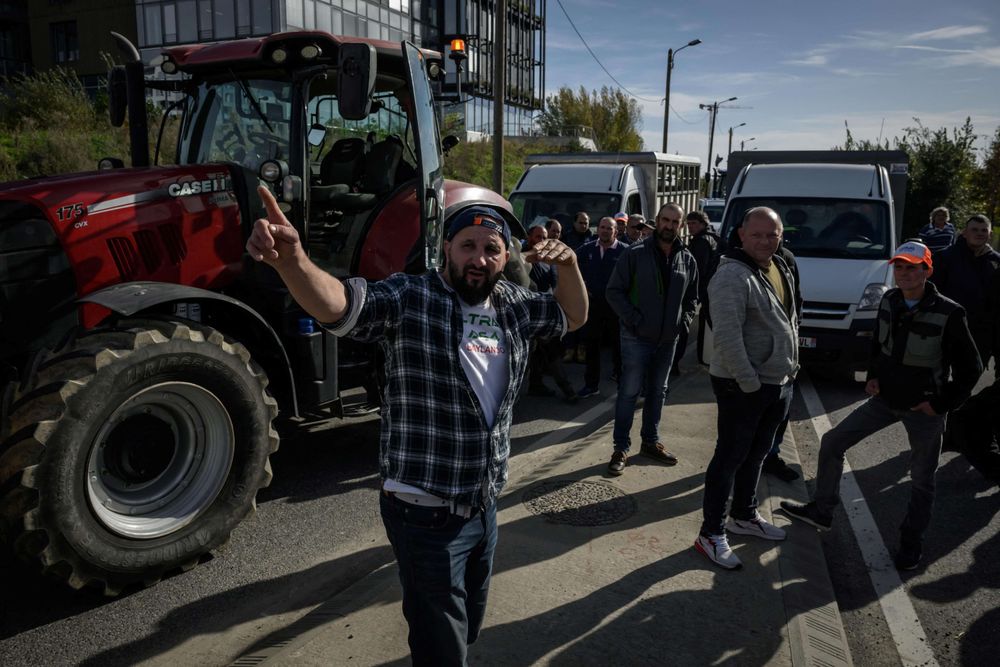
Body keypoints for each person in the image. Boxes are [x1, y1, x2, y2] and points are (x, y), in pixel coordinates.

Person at [246, 186, 587, 665]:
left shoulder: (513, 303)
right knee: (441, 648)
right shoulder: (412, 297)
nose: (479, 258)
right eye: (467, 245)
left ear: (504, 254)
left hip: (483, 505)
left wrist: (569, 265)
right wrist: (293, 263)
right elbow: (341, 306)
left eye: (491, 249)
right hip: (424, 513)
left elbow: (572, 315)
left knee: (466, 626)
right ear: (446, 248)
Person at [781, 240, 982, 571]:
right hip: (885, 401)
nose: (904, 273)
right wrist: (873, 375)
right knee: (832, 442)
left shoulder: (950, 313)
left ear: (927, 271)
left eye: (912, 268)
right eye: (899, 267)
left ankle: (910, 543)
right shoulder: (890, 299)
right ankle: (822, 511)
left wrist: (940, 404)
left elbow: (970, 369)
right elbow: (879, 343)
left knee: (922, 480)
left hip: (924, 412)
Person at [695, 207, 799, 570]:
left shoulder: (780, 265)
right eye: (757, 234)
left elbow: (790, 318)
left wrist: (789, 371)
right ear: (740, 234)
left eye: (772, 234)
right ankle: (710, 533)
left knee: (757, 455)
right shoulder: (731, 275)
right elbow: (726, 336)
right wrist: (750, 383)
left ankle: (743, 515)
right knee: (729, 458)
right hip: (743, 386)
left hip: (777, 382)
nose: (765, 240)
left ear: (781, 235)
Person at [605, 203, 698, 475]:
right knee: (629, 393)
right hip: (636, 337)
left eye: (675, 221)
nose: (669, 226)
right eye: (665, 220)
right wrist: (634, 321)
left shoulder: (686, 258)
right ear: (657, 221)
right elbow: (614, 292)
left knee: (658, 392)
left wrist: (684, 322)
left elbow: (692, 297)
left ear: (680, 225)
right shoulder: (635, 254)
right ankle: (620, 447)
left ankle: (650, 442)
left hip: (668, 340)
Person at [930, 214, 1000, 370]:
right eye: (974, 229)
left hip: (981, 335)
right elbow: (931, 292)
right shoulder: (945, 257)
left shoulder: (996, 262)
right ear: (964, 233)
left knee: (967, 383)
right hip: (946, 332)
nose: (979, 233)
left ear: (990, 235)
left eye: (983, 230)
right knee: (936, 382)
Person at [576, 216, 627, 397]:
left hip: (616, 308)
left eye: (609, 228)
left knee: (618, 347)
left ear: (616, 231)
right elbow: (573, 269)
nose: (605, 231)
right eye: (602, 227)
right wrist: (583, 287)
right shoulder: (586, 249)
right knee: (592, 346)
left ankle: (623, 385)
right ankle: (591, 386)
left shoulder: (625, 252)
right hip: (594, 306)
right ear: (598, 230)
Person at [681, 209, 721, 369]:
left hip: (704, 289)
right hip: (711, 289)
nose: (690, 227)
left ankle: (703, 357)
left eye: (694, 223)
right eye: (688, 223)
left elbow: (698, 270)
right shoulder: (711, 238)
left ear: (703, 224)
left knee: (687, 323)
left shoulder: (702, 241)